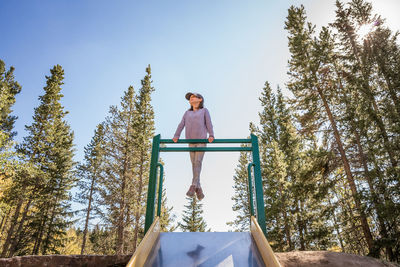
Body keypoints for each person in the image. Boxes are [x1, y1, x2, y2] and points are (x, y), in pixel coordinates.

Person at [173, 92, 214, 201]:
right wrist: (176, 135)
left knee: (198, 162)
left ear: (200, 99)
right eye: (189, 98)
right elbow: (181, 124)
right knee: (193, 164)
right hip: (191, 141)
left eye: (192, 97)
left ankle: (193, 185)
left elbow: (209, 123)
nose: (190, 99)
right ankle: (198, 188)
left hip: (201, 140)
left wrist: (211, 135)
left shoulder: (204, 111)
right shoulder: (187, 113)